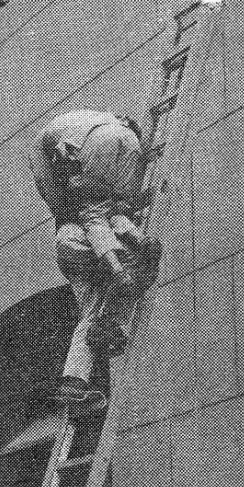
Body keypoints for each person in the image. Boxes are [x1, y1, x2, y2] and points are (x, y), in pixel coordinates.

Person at [29, 109, 162, 412]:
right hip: (90, 242)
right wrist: (136, 236)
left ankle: (73, 383)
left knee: (89, 313)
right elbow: (112, 218)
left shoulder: (71, 189)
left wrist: (61, 210)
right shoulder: (113, 131)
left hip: (68, 251)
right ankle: (116, 321)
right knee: (133, 273)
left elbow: (47, 177)